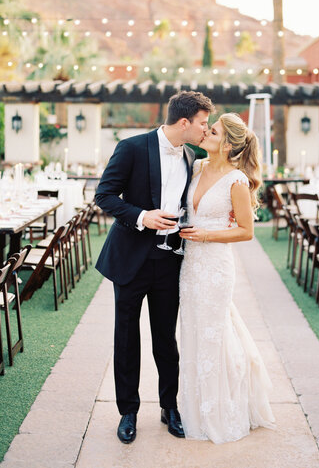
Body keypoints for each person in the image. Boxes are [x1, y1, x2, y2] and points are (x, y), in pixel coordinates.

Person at [95, 91, 214, 444]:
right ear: (184, 122)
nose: (206, 130)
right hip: (130, 260)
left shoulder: (192, 155)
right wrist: (143, 217)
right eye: (203, 123)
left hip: (169, 261)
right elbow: (104, 195)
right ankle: (128, 412)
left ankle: (169, 407)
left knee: (166, 339)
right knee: (126, 338)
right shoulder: (131, 147)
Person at [178, 112, 276, 443]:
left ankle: (221, 411)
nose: (205, 132)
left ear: (229, 143)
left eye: (213, 131)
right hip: (190, 266)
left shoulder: (237, 180)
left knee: (214, 334)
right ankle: (193, 408)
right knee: (192, 332)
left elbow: (246, 231)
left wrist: (206, 235)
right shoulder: (197, 167)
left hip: (216, 267)